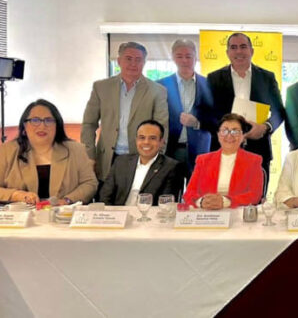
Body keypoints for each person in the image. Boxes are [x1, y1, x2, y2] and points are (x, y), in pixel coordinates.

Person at [205, 33, 285, 189]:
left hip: (258, 149)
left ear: (252, 51)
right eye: (233, 47)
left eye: (243, 47)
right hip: (223, 150)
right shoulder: (213, 78)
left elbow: (279, 111)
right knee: (223, 198)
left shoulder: (266, 77)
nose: (239, 51)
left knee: (256, 199)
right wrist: (226, 131)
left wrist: (265, 127)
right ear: (227, 52)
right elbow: (207, 114)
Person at [81, 41, 168, 184]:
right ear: (119, 61)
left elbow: (162, 127)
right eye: (128, 58)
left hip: (141, 157)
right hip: (107, 158)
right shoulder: (101, 87)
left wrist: (157, 159)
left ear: (144, 63)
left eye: (138, 59)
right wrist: (89, 156)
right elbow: (89, 124)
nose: (133, 64)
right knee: (105, 196)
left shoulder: (157, 91)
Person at [0, 99, 97, 204]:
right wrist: (16, 195)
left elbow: (90, 184)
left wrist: (66, 200)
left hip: (64, 217)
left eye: (48, 120)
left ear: (57, 125)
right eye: (35, 120)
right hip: (20, 218)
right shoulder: (8, 151)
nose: (42, 126)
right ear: (24, 126)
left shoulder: (75, 150)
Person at [183, 114, 264, 209]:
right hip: (206, 213)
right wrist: (201, 202)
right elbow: (189, 193)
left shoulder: (254, 161)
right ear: (218, 134)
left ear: (243, 136)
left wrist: (225, 202)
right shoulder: (203, 160)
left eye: (235, 131)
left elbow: (255, 195)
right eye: (224, 131)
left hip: (237, 214)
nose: (229, 135)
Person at [157, 39, 212, 177]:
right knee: (170, 189)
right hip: (170, 150)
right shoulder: (161, 85)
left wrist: (197, 123)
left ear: (195, 57)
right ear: (173, 58)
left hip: (201, 150)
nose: (184, 61)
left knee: (199, 190)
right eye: (179, 56)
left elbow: (217, 119)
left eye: (188, 56)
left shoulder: (209, 85)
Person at [99, 120, 184, 206]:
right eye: (142, 138)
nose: (146, 142)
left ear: (161, 142)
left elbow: (166, 204)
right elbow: (105, 196)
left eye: (152, 138)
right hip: (119, 212)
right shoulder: (121, 162)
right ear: (136, 140)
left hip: (150, 213)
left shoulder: (171, 167)